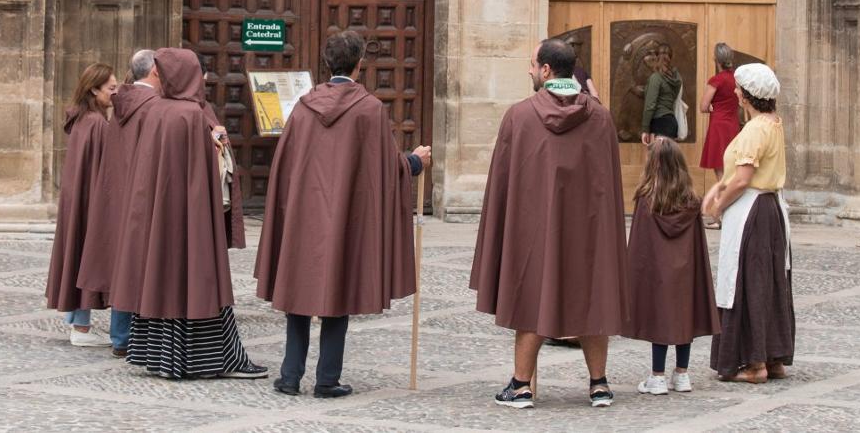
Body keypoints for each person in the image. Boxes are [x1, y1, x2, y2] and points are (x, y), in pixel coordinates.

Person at [255, 30, 432, 398]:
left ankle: (290, 377)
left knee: (299, 290)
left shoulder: (303, 107)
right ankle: (327, 380)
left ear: (327, 62)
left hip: (304, 215)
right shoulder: (368, 109)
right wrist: (415, 161)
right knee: (338, 293)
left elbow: (285, 166)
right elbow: (385, 169)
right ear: (359, 65)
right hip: (346, 218)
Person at [470, 38, 629, 410]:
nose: (529, 71)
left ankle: (521, 386)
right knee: (593, 296)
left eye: (531, 65)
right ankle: (599, 385)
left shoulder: (520, 115)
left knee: (532, 296)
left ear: (545, 70)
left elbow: (504, 180)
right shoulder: (601, 116)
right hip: (589, 229)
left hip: (534, 228)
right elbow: (609, 181)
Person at [109, 48, 266, 380]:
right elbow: (200, 175)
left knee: (163, 283)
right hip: (190, 219)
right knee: (199, 283)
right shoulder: (191, 115)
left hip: (160, 219)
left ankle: (161, 358)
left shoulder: (156, 111)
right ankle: (212, 359)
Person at [702, 63, 793, 384]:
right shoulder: (773, 123)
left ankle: (754, 364)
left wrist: (717, 207)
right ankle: (772, 355)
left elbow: (742, 179)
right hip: (769, 211)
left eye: (739, 89)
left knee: (747, 281)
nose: (736, 92)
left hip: (752, 212)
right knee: (767, 281)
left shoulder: (755, 129)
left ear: (746, 97)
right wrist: (719, 188)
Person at [76, 49, 159, 357]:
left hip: (118, 196)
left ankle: (121, 337)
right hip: (140, 196)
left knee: (124, 263)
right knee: (136, 264)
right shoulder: (153, 107)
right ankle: (129, 337)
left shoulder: (118, 108)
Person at [625, 137, 720, 395]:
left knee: (660, 316)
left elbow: (640, 245)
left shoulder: (646, 200)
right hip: (686, 271)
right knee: (683, 316)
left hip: (657, 272)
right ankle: (682, 374)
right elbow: (697, 245)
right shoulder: (691, 201)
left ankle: (657, 376)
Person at [46, 63, 119, 347]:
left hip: (79, 199)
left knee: (78, 254)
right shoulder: (96, 124)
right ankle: (82, 327)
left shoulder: (83, 119)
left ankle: (79, 323)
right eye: (111, 88)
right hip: (89, 202)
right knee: (87, 255)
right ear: (94, 89)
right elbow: (104, 170)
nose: (115, 93)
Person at [699, 43, 740, 180]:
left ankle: (724, 198)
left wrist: (711, 106)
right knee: (732, 165)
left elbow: (703, 106)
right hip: (733, 125)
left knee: (720, 168)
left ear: (716, 59)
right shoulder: (738, 79)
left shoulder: (716, 80)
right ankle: (731, 197)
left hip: (718, 126)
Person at [641, 44, 683, 144]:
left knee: (656, 159)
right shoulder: (676, 78)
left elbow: (650, 105)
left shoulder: (656, 78)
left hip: (659, 124)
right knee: (668, 159)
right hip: (671, 124)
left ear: (656, 57)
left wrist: (645, 129)